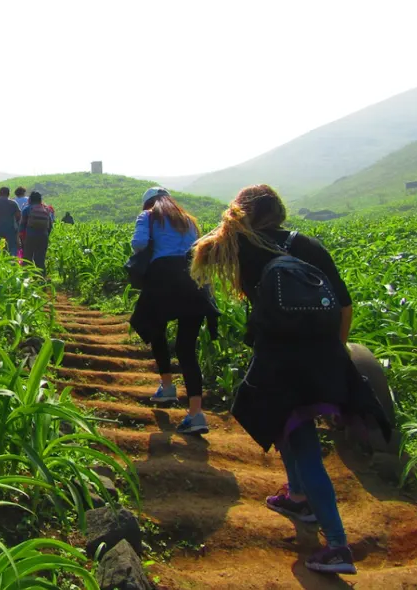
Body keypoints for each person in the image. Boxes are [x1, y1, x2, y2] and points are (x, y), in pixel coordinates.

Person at [189, 184, 392, 575]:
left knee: (301, 441)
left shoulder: (242, 248)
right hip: (321, 358)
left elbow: (203, 262)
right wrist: (333, 355)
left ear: (243, 214)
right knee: (292, 428)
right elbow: (344, 306)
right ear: (280, 212)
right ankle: (298, 496)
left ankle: (336, 545)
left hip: (280, 361)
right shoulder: (308, 245)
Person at [128, 187, 218, 435]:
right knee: (187, 349)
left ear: (148, 203)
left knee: (155, 329)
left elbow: (138, 244)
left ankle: (167, 386)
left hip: (163, 279)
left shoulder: (148, 216)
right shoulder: (188, 219)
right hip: (193, 279)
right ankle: (196, 414)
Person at [20, 191, 53, 275]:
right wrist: (46, 235)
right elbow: (50, 226)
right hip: (43, 236)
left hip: (30, 236)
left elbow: (22, 226)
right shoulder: (46, 209)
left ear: (30, 199)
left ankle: (26, 279)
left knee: (27, 258)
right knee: (40, 260)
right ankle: (41, 280)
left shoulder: (27, 209)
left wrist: (21, 239)